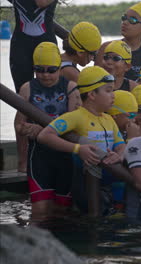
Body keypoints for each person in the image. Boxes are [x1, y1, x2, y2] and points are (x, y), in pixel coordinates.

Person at [37, 66, 126, 216]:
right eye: (109, 90)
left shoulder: (109, 119)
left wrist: (119, 155)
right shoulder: (76, 116)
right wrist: (78, 149)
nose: (113, 96)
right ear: (92, 94)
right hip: (86, 183)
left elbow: (121, 145)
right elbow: (45, 135)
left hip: (110, 181)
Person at [14, 42, 79, 221]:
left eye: (51, 70)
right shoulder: (27, 89)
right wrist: (22, 156)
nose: (45, 75)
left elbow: (74, 126)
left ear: (59, 68)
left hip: (65, 157)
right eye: (39, 69)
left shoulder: (70, 88)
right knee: (39, 212)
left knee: (61, 213)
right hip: (39, 158)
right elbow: (19, 125)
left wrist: (41, 129)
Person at [9, 0, 58, 173]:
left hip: (46, 44)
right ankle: (22, 162)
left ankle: (46, 154)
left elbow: (41, 2)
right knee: (21, 101)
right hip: (20, 46)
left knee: (48, 99)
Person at [95, 1, 141, 81]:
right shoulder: (106, 48)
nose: (125, 22)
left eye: (132, 20)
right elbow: (94, 81)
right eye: (124, 18)